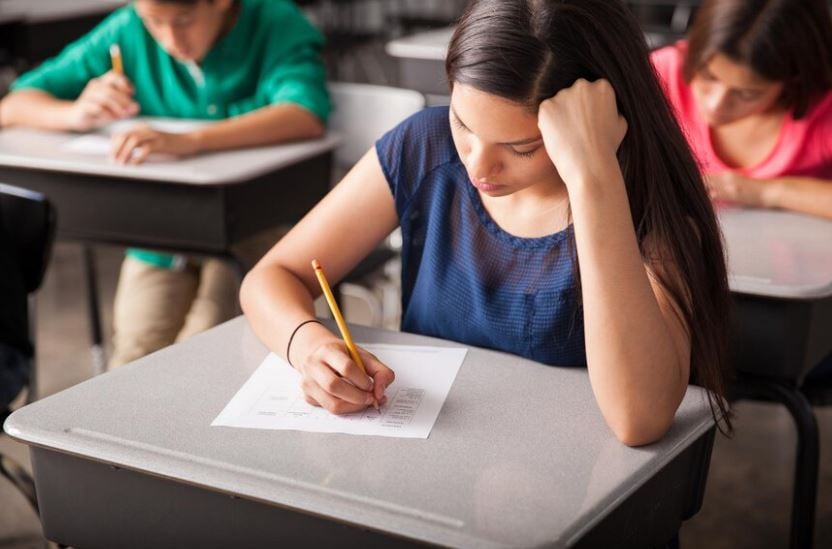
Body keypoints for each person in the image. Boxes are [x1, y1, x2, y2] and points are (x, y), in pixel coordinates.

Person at [240, 0, 733, 447]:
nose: (478, 166)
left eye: (521, 148)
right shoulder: (424, 146)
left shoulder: (644, 204)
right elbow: (272, 276)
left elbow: (638, 419)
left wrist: (592, 177)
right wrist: (310, 346)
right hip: (431, 471)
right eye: (463, 123)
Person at [0, 0, 330, 368]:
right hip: (162, 235)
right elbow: (13, 104)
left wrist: (192, 140)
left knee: (205, 350)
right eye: (154, 23)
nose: (170, 39)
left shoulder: (274, 21)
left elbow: (304, 113)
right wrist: (73, 113)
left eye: (184, 20)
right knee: (131, 357)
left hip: (258, 229)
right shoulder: (127, 29)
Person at [651, 0, 832, 219]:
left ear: (792, 80)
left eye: (747, 93)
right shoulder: (662, 75)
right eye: (708, 77)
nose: (715, 104)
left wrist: (762, 191)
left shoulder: (824, 111)